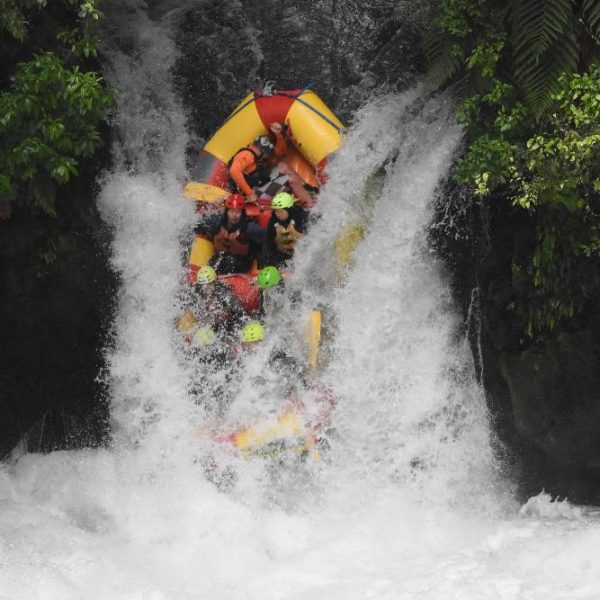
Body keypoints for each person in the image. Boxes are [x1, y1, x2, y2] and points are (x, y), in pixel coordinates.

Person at [204, 194, 254, 274]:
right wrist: (213, 204)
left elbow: (264, 239)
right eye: (231, 211)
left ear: (242, 213)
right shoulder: (218, 222)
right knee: (213, 263)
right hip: (222, 255)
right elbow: (201, 224)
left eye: (238, 212)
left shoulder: (249, 227)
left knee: (231, 264)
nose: (234, 215)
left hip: (241, 260)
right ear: (227, 211)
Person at [193, 265, 246, 333]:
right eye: (202, 285)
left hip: (226, 324)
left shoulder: (224, 294)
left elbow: (240, 312)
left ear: (215, 282)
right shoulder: (198, 292)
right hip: (208, 323)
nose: (205, 287)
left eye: (209, 284)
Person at [261, 192, 307, 267]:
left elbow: (307, 241)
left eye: (281, 211)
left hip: (303, 250)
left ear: (288, 209)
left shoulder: (300, 215)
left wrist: (293, 232)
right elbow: (273, 246)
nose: (279, 214)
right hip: (283, 252)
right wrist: (282, 235)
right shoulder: (273, 220)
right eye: (276, 211)